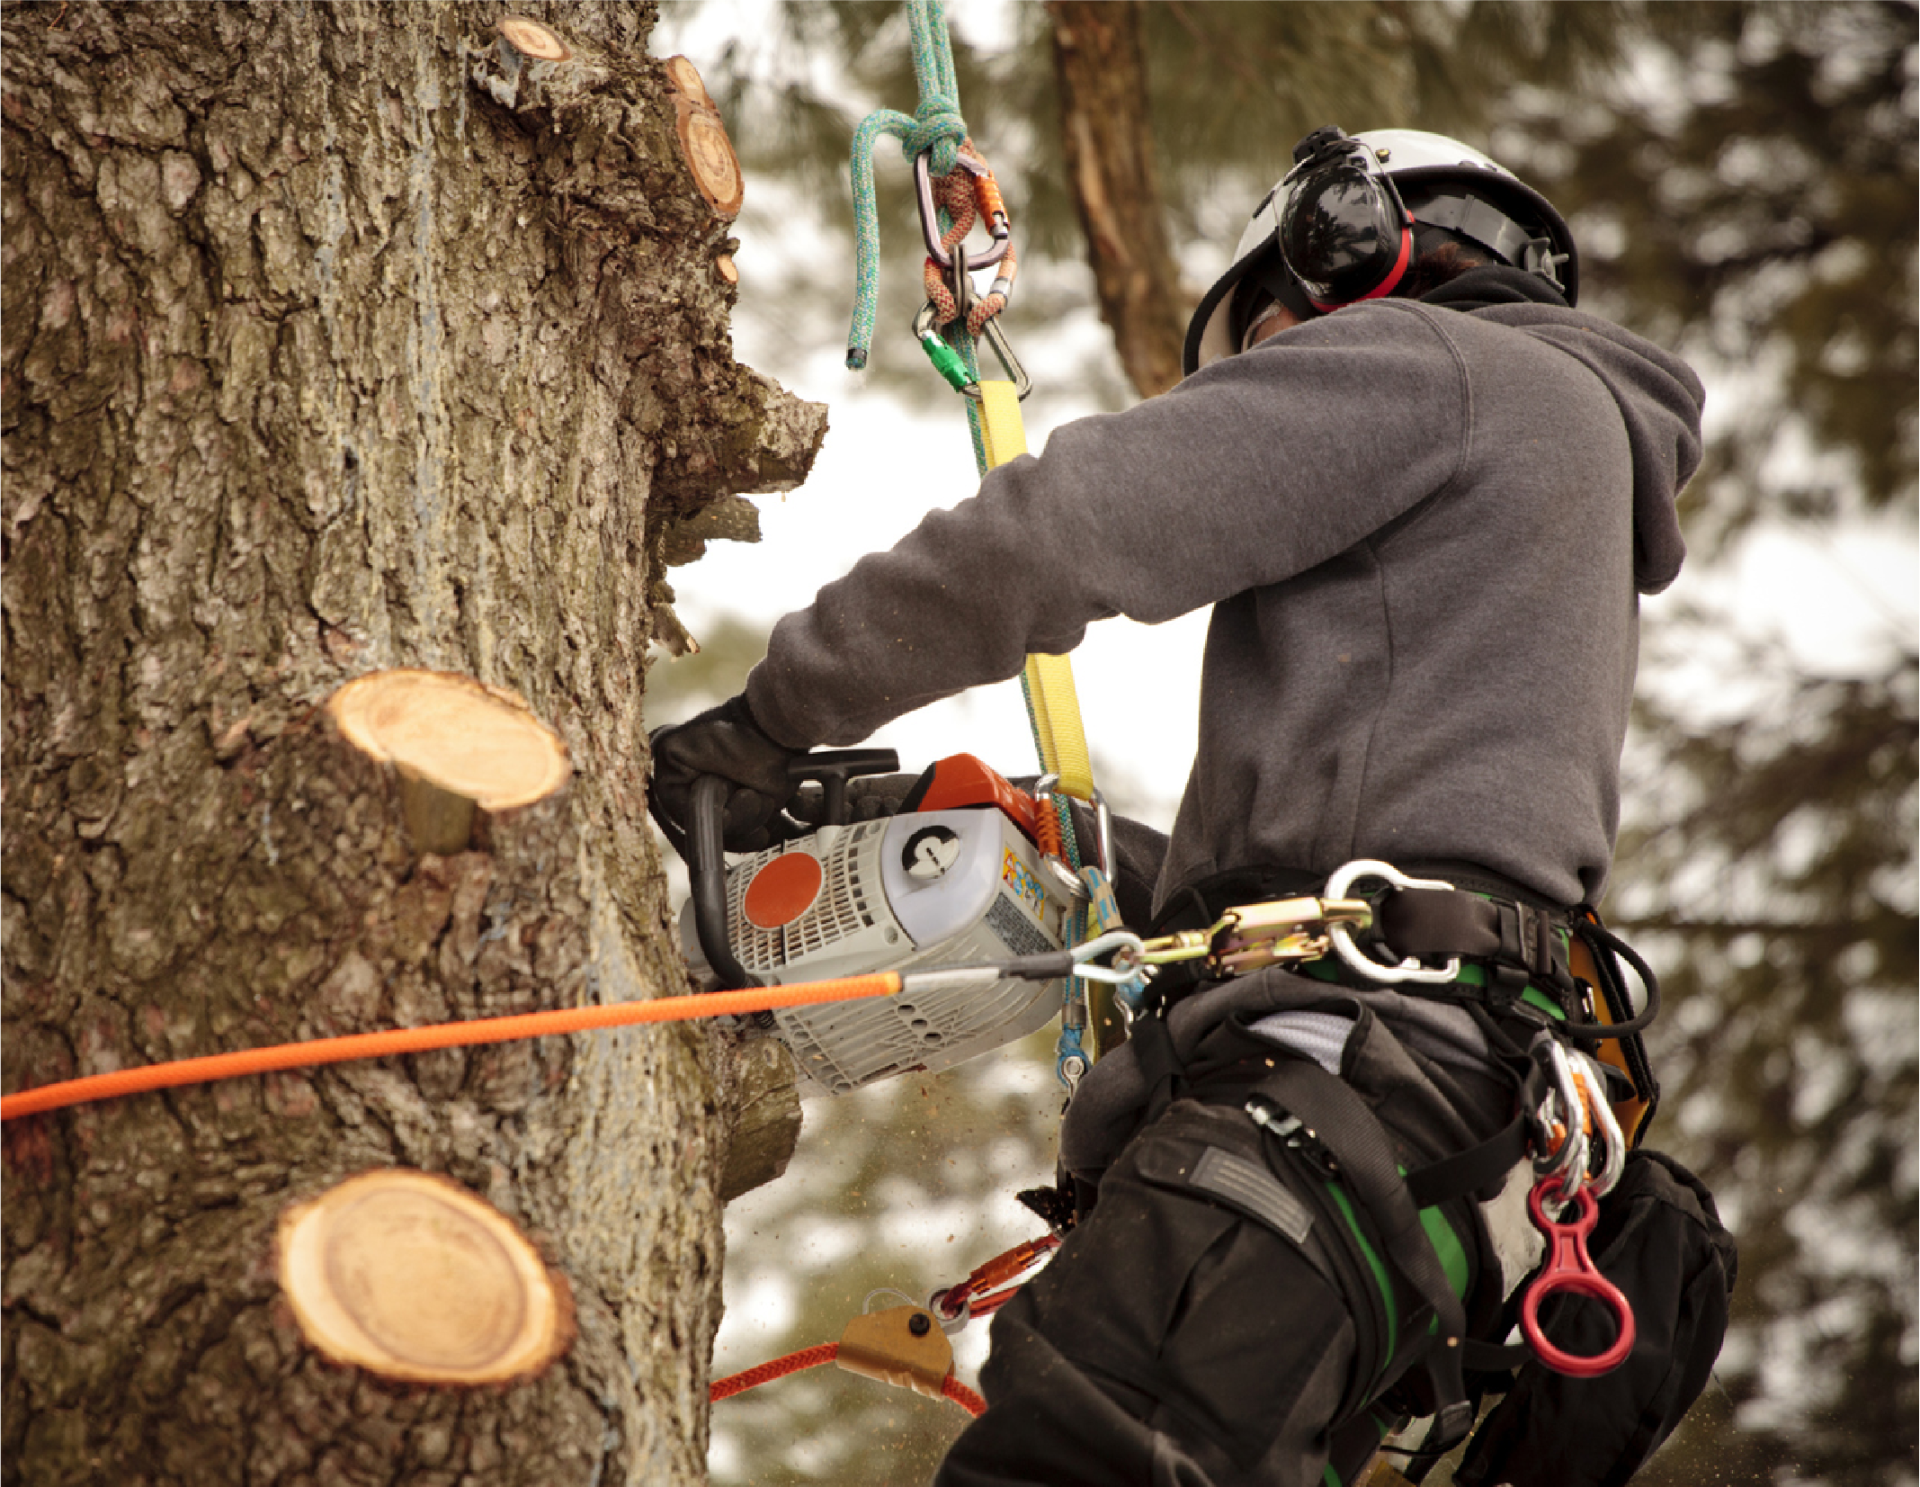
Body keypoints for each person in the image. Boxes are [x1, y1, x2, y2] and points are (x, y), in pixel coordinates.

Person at [652, 127, 1724, 1486]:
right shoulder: (1564, 463)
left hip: (1318, 1114)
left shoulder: (1435, 363)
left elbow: (1064, 531)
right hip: (1438, 1150)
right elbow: (1403, 862)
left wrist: (762, 723)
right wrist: (1088, 857)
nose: (1273, 370)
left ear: (1357, 250)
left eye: (1273, 333)